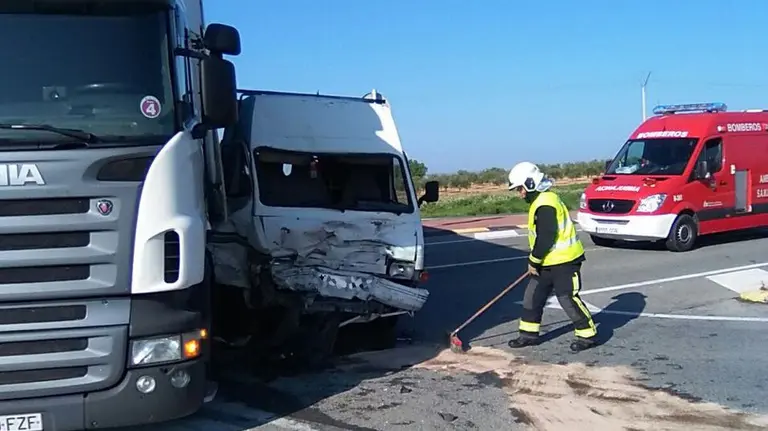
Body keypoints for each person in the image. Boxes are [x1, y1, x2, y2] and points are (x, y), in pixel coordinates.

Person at [506, 162, 598, 352]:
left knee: (567, 298)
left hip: (565, 261)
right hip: (547, 262)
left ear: (531, 184)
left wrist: (533, 260)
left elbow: (547, 236)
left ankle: (587, 335)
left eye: (520, 189)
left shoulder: (546, 203)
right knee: (533, 296)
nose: (520, 193)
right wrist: (538, 261)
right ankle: (528, 335)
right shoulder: (540, 201)